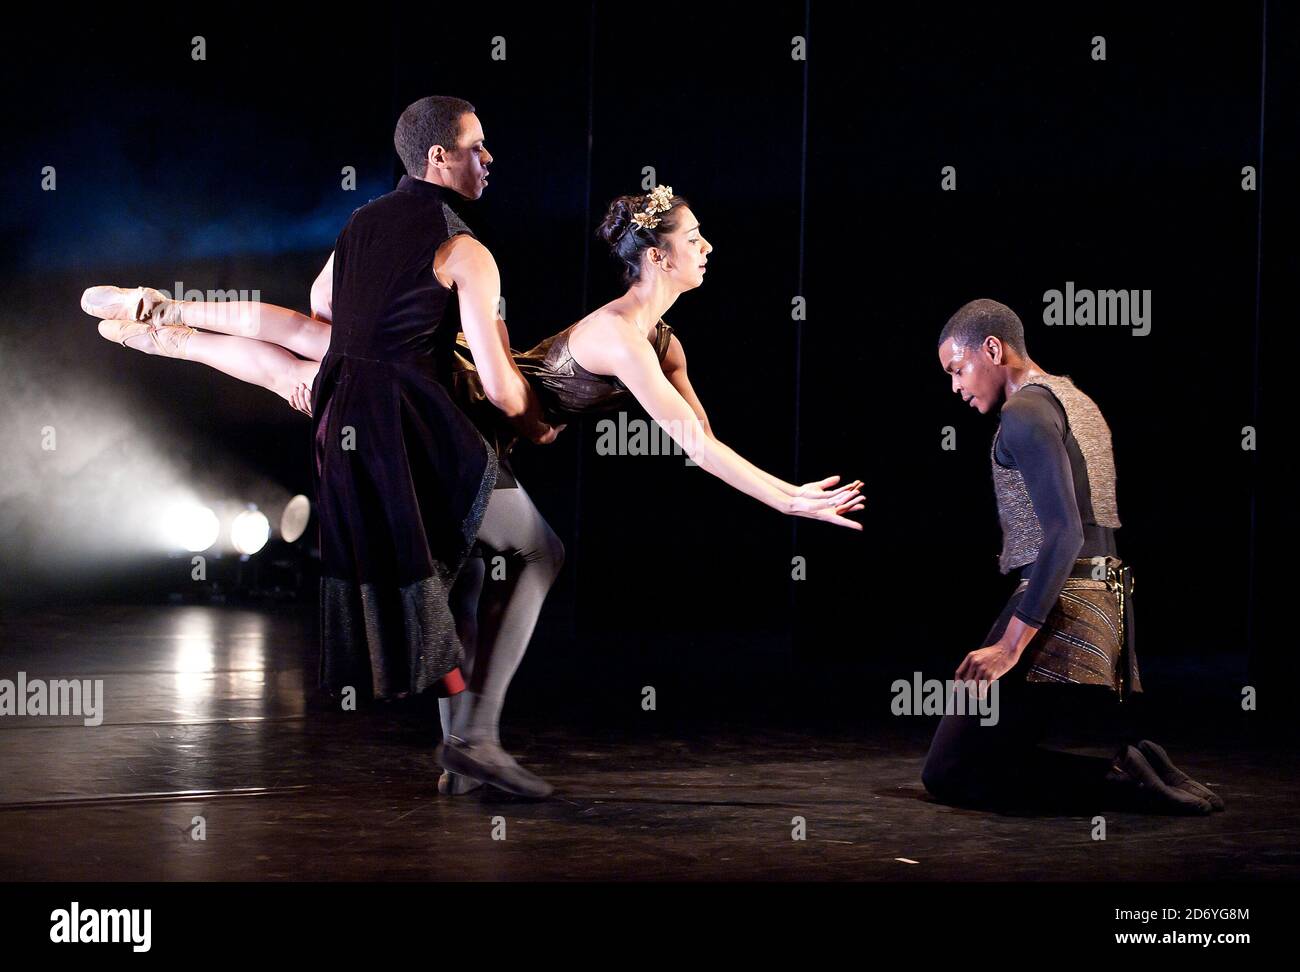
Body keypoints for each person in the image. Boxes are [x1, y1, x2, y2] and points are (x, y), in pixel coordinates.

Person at [82, 182, 866, 796]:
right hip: (458, 412)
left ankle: (165, 324)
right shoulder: (618, 336)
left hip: (473, 418)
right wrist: (790, 499)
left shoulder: (664, 343)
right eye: (693, 239)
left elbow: (704, 442)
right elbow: (684, 439)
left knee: (310, 362)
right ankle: (477, 737)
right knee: (535, 547)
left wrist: (776, 491)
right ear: (657, 257)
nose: (707, 248)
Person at [921, 298, 1224, 814]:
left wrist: (1010, 647)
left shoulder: (1023, 413)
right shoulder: (1071, 397)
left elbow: (1063, 534)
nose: (955, 387)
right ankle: (1141, 765)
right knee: (994, 750)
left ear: (992, 348)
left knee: (949, 773)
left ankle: (1126, 778)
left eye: (958, 369)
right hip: (1103, 597)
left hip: (1060, 600)